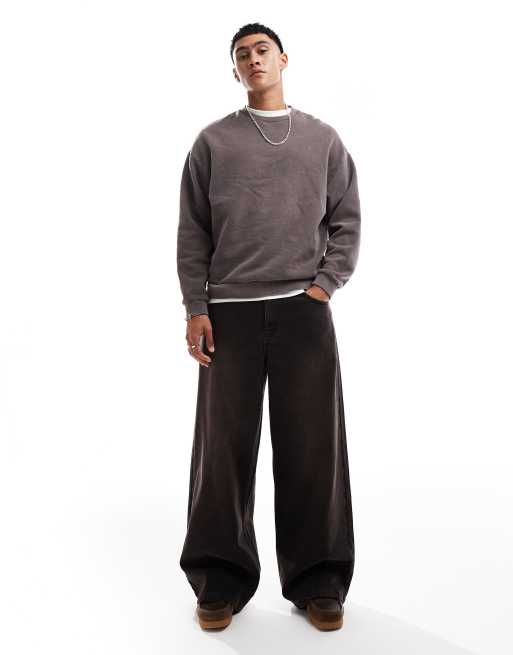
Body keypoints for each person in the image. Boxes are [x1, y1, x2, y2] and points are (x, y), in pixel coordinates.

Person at [176, 22, 361, 632]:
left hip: (303, 311)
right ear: (234, 70)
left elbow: (347, 219)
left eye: (262, 50)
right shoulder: (212, 143)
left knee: (313, 448)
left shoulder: (322, 140)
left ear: (283, 59)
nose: (253, 59)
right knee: (222, 450)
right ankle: (218, 579)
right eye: (242, 55)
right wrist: (196, 307)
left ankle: (319, 580)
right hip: (228, 313)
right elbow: (193, 231)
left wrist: (323, 286)